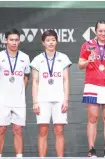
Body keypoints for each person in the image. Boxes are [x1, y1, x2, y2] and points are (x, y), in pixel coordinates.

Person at [78, 20, 105, 157]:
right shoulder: (87, 45)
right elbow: (80, 65)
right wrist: (87, 61)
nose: (103, 33)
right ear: (95, 31)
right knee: (93, 118)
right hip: (92, 85)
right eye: (100, 31)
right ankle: (92, 149)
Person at [0, 29, 30, 158]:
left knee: (18, 130)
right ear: (5, 40)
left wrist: (21, 91)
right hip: (2, 101)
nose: (14, 43)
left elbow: (26, 77)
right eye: (11, 40)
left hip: (18, 101)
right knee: (1, 129)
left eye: (16, 40)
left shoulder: (25, 57)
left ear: (19, 41)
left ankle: (19, 157)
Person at [30, 29, 72, 157]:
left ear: (56, 41)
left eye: (53, 40)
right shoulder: (37, 60)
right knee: (43, 131)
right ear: (43, 43)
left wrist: (66, 100)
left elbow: (66, 80)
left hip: (59, 99)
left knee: (59, 131)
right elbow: (35, 82)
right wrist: (35, 102)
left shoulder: (63, 58)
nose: (51, 43)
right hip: (43, 100)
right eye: (48, 40)